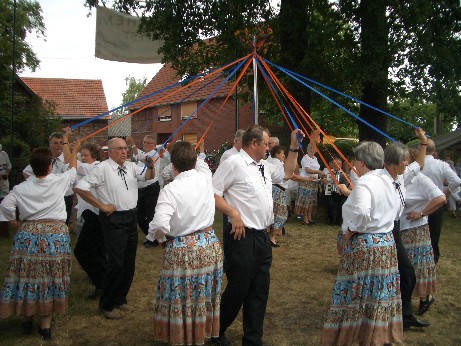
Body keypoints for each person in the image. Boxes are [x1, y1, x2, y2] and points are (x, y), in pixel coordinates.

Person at [212, 125, 304, 346]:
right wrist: (233, 213)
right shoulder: (233, 164)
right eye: (266, 144)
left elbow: (288, 173)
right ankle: (216, 331)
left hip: (262, 237)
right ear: (254, 144)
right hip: (241, 236)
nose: (269, 147)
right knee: (238, 288)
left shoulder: (264, 165)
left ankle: (253, 339)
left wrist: (293, 148)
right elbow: (212, 193)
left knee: (259, 290)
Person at [321, 141, 403, 345]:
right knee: (378, 293)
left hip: (366, 246)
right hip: (386, 244)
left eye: (356, 162)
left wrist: (350, 230)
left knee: (358, 293)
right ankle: (376, 335)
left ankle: (355, 335)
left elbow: (361, 213)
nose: (354, 166)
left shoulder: (366, 182)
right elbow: (399, 209)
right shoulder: (389, 180)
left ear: (362, 162)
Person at [0, 127, 78, 341]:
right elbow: (72, 169)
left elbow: (6, 206)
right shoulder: (58, 181)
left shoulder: (20, 188)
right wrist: (72, 146)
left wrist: (14, 221)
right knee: (50, 279)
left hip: (28, 237)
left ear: (32, 167)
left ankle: (27, 319)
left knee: (27, 277)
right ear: (50, 166)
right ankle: (45, 326)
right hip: (54, 238)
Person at [146, 141, 223, 345]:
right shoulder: (206, 178)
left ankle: (183, 336)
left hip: (183, 252)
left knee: (183, 297)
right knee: (202, 294)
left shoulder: (170, 190)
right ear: (195, 160)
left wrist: (161, 240)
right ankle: (199, 334)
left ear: (172, 165)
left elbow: (160, 224)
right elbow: (202, 165)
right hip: (209, 246)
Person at [74, 137, 155, 320]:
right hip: (113, 219)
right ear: (109, 151)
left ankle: (120, 298)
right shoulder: (102, 169)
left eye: (125, 148)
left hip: (130, 217)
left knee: (129, 261)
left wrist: (150, 166)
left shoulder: (131, 166)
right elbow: (80, 188)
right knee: (116, 263)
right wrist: (101, 205)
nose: (124, 151)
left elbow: (148, 177)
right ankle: (106, 303)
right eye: (119, 149)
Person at [400, 148, 446, 316]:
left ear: (409, 162)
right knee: (405, 268)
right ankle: (405, 298)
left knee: (418, 267)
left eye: (402, 160)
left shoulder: (421, 180)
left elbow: (441, 197)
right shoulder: (399, 179)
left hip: (417, 230)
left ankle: (425, 297)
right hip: (401, 229)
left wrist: (421, 213)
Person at [72, 140, 107, 300]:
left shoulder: (93, 168)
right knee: (96, 252)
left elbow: (70, 163)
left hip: (94, 216)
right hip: (88, 215)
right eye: (81, 155)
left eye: (85, 155)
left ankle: (102, 283)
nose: (83, 158)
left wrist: (70, 146)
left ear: (94, 156)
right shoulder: (92, 167)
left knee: (83, 252)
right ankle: (104, 282)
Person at [421, 139, 461, 264]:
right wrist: (447, 192)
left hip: (419, 205)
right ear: (434, 151)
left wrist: (447, 192)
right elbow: (457, 181)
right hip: (436, 204)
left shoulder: (416, 164)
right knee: (434, 233)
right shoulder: (441, 165)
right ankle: (433, 259)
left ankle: (420, 257)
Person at [23, 132, 75, 226]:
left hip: (65, 196)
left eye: (61, 143)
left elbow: (72, 171)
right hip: (47, 195)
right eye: (55, 143)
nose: (59, 146)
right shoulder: (44, 158)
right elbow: (26, 172)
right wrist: (39, 183)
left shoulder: (67, 158)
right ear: (50, 144)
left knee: (62, 223)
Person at [126, 135, 161, 248]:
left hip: (151, 188)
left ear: (153, 145)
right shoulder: (142, 153)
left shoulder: (154, 155)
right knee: (140, 215)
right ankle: (150, 236)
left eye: (148, 143)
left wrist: (132, 144)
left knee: (150, 215)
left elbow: (142, 158)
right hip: (140, 189)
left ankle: (154, 239)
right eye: (144, 142)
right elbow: (138, 156)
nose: (145, 144)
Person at [295, 143, 325, 226]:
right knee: (306, 201)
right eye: (311, 148)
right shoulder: (305, 158)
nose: (312, 150)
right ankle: (305, 218)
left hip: (314, 183)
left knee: (311, 201)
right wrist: (319, 172)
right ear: (307, 149)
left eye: (314, 148)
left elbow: (315, 169)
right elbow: (307, 170)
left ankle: (309, 217)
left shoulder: (315, 158)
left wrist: (319, 176)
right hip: (306, 182)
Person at [266, 145, 288, 247]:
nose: (284, 155)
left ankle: (271, 237)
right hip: (277, 191)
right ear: (276, 154)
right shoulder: (276, 164)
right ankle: (271, 237)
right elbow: (286, 176)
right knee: (277, 214)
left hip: (279, 190)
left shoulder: (277, 163)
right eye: (282, 153)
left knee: (277, 214)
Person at [321, 157, 349, 225]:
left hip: (340, 194)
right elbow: (328, 187)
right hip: (330, 192)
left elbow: (346, 185)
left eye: (338, 164)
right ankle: (331, 220)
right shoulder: (329, 173)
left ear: (341, 165)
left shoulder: (344, 174)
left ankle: (339, 221)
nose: (336, 165)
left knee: (342, 203)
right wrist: (324, 181)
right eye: (334, 163)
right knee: (329, 202)